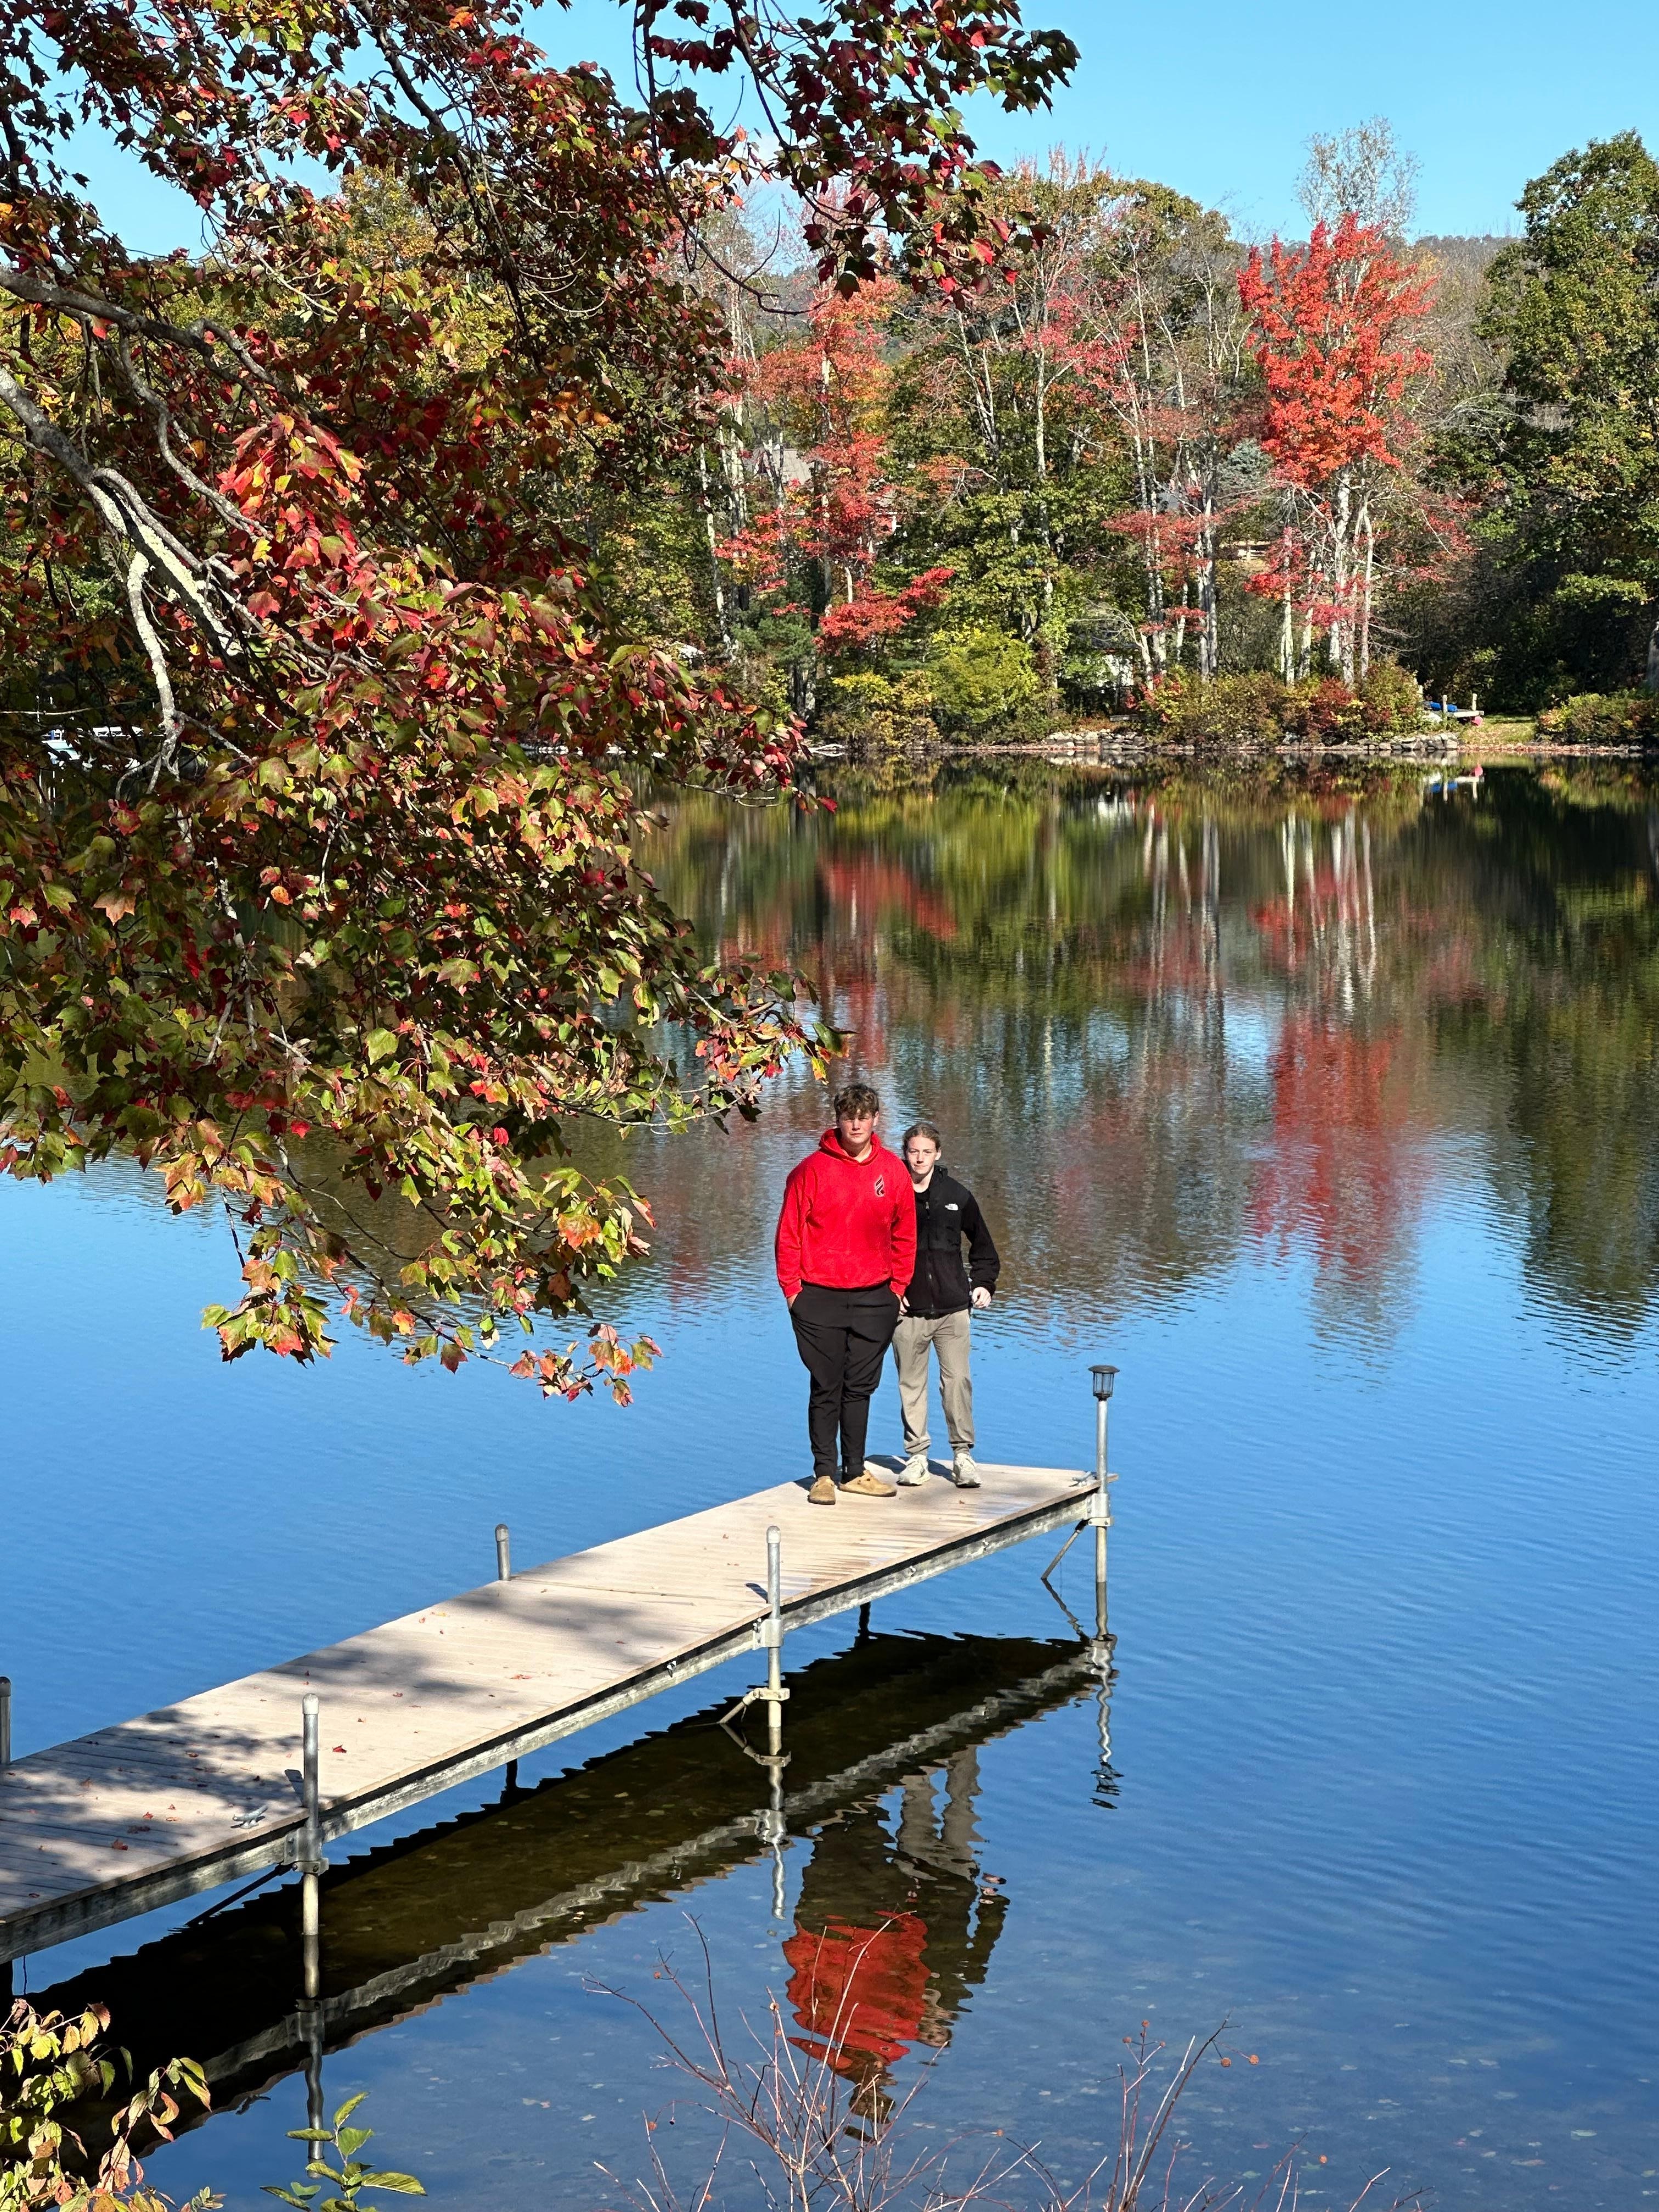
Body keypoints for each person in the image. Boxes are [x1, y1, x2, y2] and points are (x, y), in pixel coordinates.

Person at [776, 1082, 916, 1506]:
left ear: (875, 1120)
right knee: (826, 1384)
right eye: (848, 1116)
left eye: (863, 1117)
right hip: (818, 1297)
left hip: (876, 1297)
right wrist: (793, 1291)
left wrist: (897, 1288)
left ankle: (854, 1471)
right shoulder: (810, 1171)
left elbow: (905, 1234)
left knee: (860, 1387)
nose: (856, 1124)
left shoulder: (892, 1171)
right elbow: (789, 1236)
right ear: (838, 1120)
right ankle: (824, 1474)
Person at [891, 1121, 1000, 1488]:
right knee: (911, 1385)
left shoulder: (957, 1195)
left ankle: (963, 1456)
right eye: (913, 1151)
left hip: (954, 1310)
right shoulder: (891, 1193)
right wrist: (890, 1290)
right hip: (907, 1311)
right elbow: (872, 1246)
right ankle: (917, 1457)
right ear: (905, 1153)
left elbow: (984, 1247)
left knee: (957, 1383)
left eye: (927, 1152)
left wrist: (983, 1283)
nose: (920, 1159)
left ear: (938, 1154)